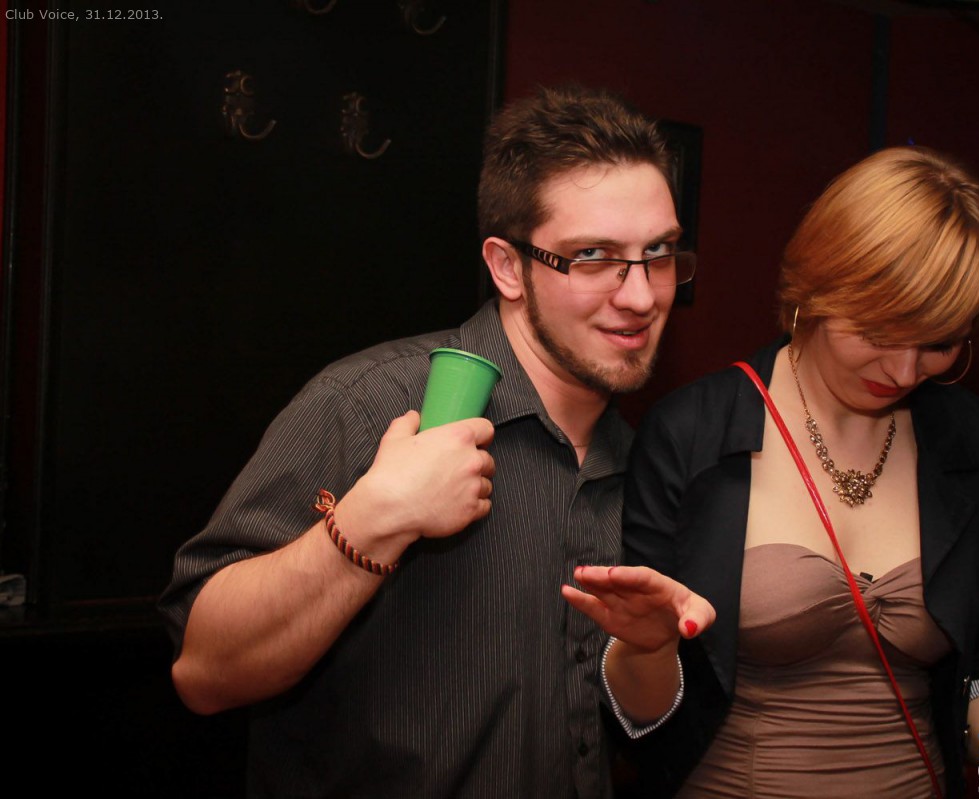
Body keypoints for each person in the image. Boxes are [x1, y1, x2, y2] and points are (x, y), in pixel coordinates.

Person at [160, 84, 704, 799]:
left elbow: (616, 721)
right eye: (593, 255)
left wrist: (650, 647)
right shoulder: (372, 403)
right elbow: (204, 673)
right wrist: (373, 519)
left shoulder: (639, 458)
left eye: (658, 253)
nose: (641, 295)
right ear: (507, 267)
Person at [567, 146, 979, 798]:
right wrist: (647, 649)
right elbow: (639, 721)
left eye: (938, 343)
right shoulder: (691, 431)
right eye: (881, 330)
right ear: (820, 288)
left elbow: (978, 671)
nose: (905, 371)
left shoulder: (974, 443)